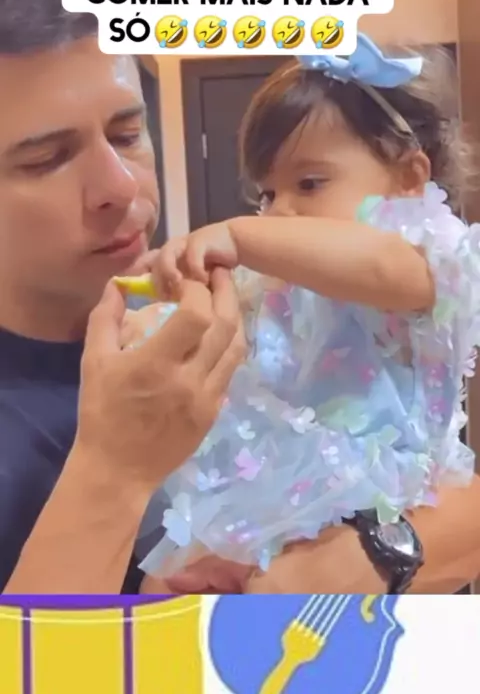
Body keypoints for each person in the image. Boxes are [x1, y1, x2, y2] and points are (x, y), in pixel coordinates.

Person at [0, 0, 479, 596]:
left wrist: (376, 556)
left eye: (128, 133)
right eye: (46, 159)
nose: (121, 187)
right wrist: (114, 473)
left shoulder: (411, 262)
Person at [124, 37, 480, 593]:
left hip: (380, 501)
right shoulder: (283, 281)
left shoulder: (429, 262)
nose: (279, 212)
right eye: (267, 194)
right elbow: (227, 324)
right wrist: (167, 308)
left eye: (310, 183)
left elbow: (378, 265)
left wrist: (239, 235)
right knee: (161, 585)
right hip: (274, 491)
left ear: (410, 178)